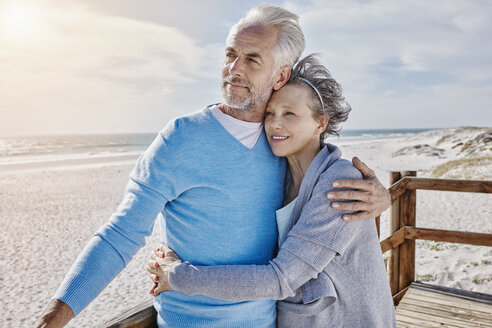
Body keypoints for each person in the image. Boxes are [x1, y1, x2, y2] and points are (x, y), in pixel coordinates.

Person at [35, 5, 391, 328]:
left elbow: (321, 191)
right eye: (230, 54)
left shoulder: (282, 147)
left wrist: (382, 196)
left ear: (281, 76)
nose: (234, 69)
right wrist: (56, 315)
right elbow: (121, 234)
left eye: (253, 59)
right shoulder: (181, 138)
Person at [148, 55, 396, 327]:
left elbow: (282, 278)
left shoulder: (340, 182)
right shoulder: (278, 172)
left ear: (320, 123)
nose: (275, 124)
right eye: (270, 114)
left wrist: (178, 276)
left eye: (289, 114)